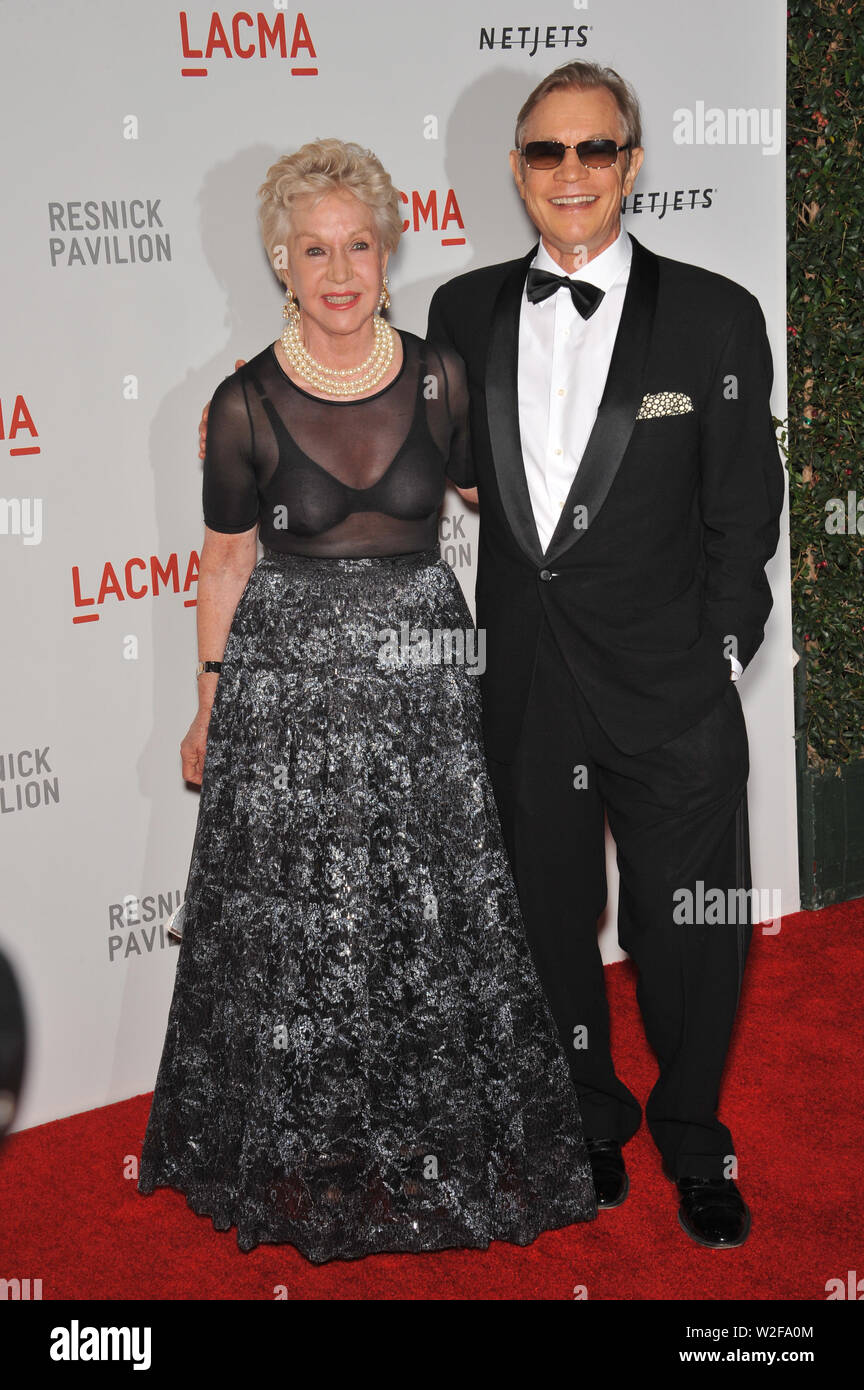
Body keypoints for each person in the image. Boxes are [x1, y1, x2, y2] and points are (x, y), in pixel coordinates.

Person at [137, 138, 597, 1261]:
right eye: (312, 250)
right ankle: (302, 1147)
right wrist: (205, 704)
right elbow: (226, 565)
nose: (337, 270)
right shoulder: (243, 401)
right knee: (298, 928)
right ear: (280, 264)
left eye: (357, 245)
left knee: (432, 914)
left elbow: (512, 501)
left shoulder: (440, 374)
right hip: (287, 695)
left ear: (386, 255)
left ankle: (432, 1129)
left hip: (425, 690)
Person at [425, 62, 785, 1248]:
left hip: (673, 687)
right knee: (545, 916)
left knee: (690, 930)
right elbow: (463, 477)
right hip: (528, 685)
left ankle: (695, 1139)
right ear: (519, 171)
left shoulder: (717, 313)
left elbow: (746, 512)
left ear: (631, 164)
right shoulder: (464, 312)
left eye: (594, 149)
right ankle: (588, 1116)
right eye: (545, 152)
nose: (570, 172)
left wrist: (719, 656)